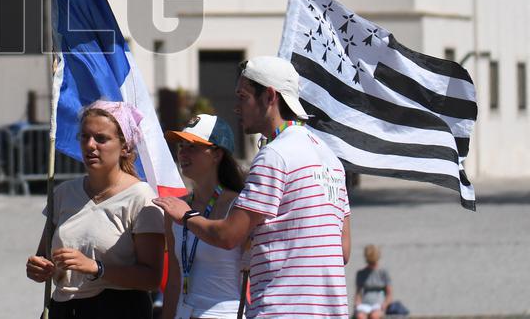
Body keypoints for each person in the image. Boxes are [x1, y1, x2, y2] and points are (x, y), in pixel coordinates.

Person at [155, 56, 351, 318]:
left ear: (270, 96)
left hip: (282, 310)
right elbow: (343, 250)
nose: (236, 107)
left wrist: (186, 215)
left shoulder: (275, 155)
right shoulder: (331, 159)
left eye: (242, 96)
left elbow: (228, 236)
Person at [25, 100, 165, 319]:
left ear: (125, 146)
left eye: (101, 138)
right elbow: (44, 257)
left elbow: (151, 277)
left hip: (118, 309)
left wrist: (96, 268)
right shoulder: (63, 193)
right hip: (63, 308)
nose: (90, 145)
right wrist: (38, 268)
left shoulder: (141, 197)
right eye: (85, 136)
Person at [162, 114, 246, 319]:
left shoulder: (239, 205)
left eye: (193, 146)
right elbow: (174, 279)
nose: (183, 153)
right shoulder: (175, 208)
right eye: (181, 146)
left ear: (217, 154)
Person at [355, 244, 393, 319]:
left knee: (374, 316)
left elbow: (389, 294)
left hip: (379, 304)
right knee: (360, 316)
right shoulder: (361, 273)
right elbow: (358, 293)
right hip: (365, 304)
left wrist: (385, 304)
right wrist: (357, 304)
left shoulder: (383, 273)